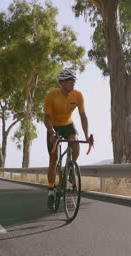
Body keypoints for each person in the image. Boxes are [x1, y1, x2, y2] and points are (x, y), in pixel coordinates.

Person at [44, 69, 90, 209]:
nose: (73, 83)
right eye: (70, 81)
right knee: (53, 159)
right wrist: (52, 133)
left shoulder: (78, 95)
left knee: (75, 145)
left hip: (68, 125)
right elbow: (46, 118)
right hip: (54, 127)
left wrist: (87, 136)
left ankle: (71, 167)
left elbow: (83, 116)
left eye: (74, 80)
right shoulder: (52, 95)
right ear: (62, 83)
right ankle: (51, 189)